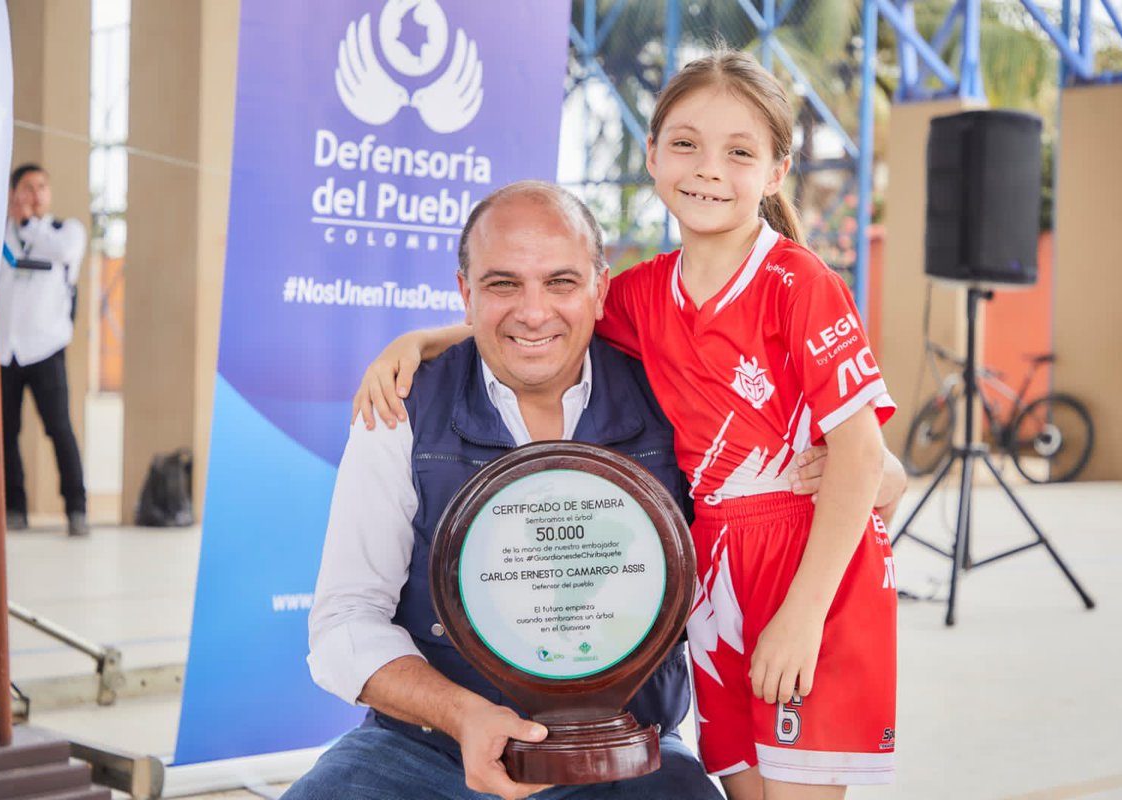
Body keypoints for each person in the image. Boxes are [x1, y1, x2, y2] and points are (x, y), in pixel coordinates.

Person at [353, 52, 902, 799]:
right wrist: (422, 341)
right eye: (685, 143)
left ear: (776, 171)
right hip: (716, 570)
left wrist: (804, 615)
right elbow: (543, 317)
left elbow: (863, 455)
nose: (709, 168)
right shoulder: (646, 292)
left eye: (739, 151)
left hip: (803, 567)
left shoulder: (800, 283)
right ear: (651, 155)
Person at [284, 182, 723, 800]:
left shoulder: (672, 398)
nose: (534, 311)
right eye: (503, 284)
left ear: (601, 288)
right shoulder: (402, 410)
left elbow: (790, 463)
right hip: (426, 751)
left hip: (621, 754)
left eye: (562, 283)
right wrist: (462, 716)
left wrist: (874, 471)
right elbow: (345, 621)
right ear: (466, 294)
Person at [0, 164, 88, 537]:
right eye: (27, 187)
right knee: (3, 433)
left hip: (45, 349)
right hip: (1, 353)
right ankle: (13, 510)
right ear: (11, 193)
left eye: (41, 187)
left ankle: (76, 508)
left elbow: (64, 251)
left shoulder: (64, 232)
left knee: (59, 428)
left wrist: (28, 224)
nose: (35, 194)